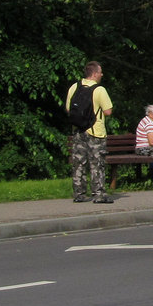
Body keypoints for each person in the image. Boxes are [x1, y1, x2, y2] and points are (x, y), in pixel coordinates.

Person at [66, 61, 114, 203]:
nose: (102, 74)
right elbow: (108, 111)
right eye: (100, 72)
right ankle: (98, 195)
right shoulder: (99, 90)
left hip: (78, 131)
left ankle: (78, 194)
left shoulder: (74, 87)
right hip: (95, 132)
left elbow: (69, 109)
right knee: (96, 163)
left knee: (78, 163)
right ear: (94, 74)